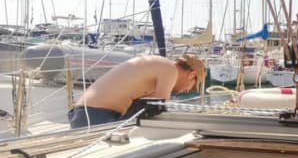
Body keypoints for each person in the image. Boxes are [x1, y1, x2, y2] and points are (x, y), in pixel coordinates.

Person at [68, 54, 206, 128]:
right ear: (191, 75)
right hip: (97, 116)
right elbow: (159, 105)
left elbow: (145, 104)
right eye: (192, 86)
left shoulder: (157, 66)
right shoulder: (170, 69)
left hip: (82, 114)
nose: (187, 91)